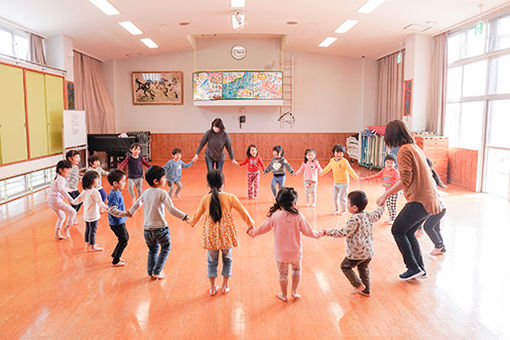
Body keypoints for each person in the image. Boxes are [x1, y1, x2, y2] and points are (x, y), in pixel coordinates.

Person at [376, 120, 441, 280]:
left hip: (420, 200)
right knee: (409, 231)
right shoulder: (415, 147)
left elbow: (405, 179)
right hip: (429, 199)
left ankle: (412, 267)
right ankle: (420, 269)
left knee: (397, 230)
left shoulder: (404, 151)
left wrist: (385, 194)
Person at [248, 187, 323, 302]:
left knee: (283, 274)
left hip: (281, 254)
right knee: (296, 270)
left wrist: (252, 233)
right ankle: (294, 291)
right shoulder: (298, 216)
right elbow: (309, 232)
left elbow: (263, 228)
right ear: (293, 203)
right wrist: (319, 234)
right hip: (295, 253)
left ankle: (284, 295)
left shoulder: (275, 216)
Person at [189, 170, 254, 296]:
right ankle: (225, 286)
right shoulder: (230, 197)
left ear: (208, 185)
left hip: (211, 235)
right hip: (226, 235)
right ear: (223, 182)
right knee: (227, 259)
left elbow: (196, 217)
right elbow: (243, 211)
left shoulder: (205, 199)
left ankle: (213, 288)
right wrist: (251, 224)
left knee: (212, 261)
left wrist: (190, 221)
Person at [128, 165, 189, 280]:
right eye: (164, 178)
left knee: (152, 250)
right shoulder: (162, 193)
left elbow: (137, 203)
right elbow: (171, 209)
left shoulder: (145, 193)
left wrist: (130, 212)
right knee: (165, 248)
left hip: (147, 229)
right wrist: (184, 217)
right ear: (156, 181)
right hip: (160, 228)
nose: (165, 180)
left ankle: (151, 272)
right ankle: (157, 271)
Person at [322, 190, 384, 297]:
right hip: (368, 252)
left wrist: (327, 232)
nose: (347, 206)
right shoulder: (368, 215)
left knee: (345, 266)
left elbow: (343, 232)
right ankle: (366, 290)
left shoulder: (354, 219)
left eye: (347, 204)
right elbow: (378, 214)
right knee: (363, 269)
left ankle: (358, 285)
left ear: (354, 208)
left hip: (357, 253)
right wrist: (381, 206)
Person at [71, 171, 109, 252]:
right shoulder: (95, 192)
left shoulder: (85, 191)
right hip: (93, 215)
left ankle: (88, 244)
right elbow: (100, 203)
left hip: (86, 215)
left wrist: (72, 202)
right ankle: (92, 246)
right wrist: (107, 208)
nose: (98, 180)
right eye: (96, 179)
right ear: (91, 181)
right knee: (93, 230)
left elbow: (78, 200)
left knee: (88, 229)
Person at [361, 154, 400, 224]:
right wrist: (365, 179)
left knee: (392, 205)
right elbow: (376, 176)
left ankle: (393, 219)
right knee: (388, 205)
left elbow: (398, 181)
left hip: (394, 192)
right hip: (387, 192)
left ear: (395, 164)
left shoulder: (395, 172)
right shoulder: (384, 171)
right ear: (385, 163)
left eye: (391, 163)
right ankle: (391, 218)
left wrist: (399, 189)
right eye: (387, 162)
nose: (389, 164)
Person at [320, 144, 359, 215]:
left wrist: (356, 177)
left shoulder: (344, 161)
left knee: (342, 197)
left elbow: (350, 170)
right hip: (336, 182)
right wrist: (322, 173)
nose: (339, 154)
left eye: (341, 153)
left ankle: (344, 211)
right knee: (334, 197)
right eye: (337, 152)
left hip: (344, 183)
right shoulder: (332, 161)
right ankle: (336, 209)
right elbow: (327, 168)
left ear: (343, 153)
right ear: (334, 153)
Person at [422, 158, 447, 256]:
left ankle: (438, 245)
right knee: (436, 228)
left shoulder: (429, 180)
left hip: (438, 208)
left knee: (428, 227)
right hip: (440, 208)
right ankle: (442, 247)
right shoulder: (429, 178)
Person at [47, 160, 77, 240]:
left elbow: (61, 188)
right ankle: (66, 228)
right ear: (60, 169)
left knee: (62, 216)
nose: (69, 171)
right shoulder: (61, 178)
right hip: (55, 200)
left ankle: (57, 234)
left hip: (51, 201)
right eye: (67, 169)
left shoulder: (58, 177)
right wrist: (70, 199)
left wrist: (68, 189)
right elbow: (61, 190)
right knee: (73, 212)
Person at [107, 169, 130, 266]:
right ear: (115, 183)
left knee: (122, 238)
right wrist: (125, 213)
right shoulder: (114, 195)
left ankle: (115, 254)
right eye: (123, 181)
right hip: (116, 223)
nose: (125, 183)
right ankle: (116, 260)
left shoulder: (116, 191)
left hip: (117, 221)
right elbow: (112, 210)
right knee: (124, 239)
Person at [66, 150, 82, 218]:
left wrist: (80, 178)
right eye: (76, 157)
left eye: (79, 157)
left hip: (75, 188)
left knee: (80, 200)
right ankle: (72, 217)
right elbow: (66, 178)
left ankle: (73, 215)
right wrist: (67, 188)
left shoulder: (75, 167)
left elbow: (75, 175)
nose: (78, 159)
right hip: (70, 189)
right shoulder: (68, 168)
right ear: (70, 159)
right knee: (75, 203)